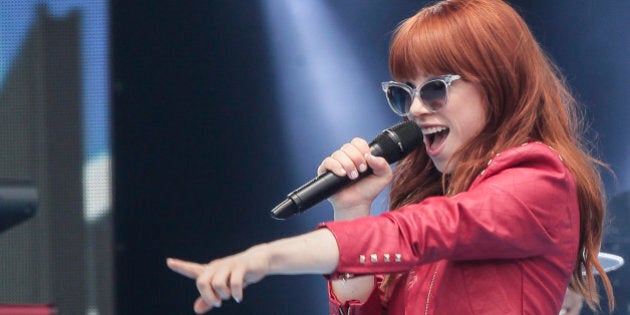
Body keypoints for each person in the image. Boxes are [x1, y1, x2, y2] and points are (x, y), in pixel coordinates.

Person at [167, 0, 615, 313]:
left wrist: (266, 258)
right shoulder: (430, 201)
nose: (418, 108)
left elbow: (420, 232)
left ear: (498, 83)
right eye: (405, 93)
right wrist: (352, 208)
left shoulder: (539, 179)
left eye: (436, 88)